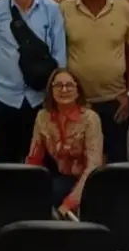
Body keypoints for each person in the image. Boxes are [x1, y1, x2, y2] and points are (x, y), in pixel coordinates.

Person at [0, 0, 68, 162]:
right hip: (3, 97)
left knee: (39, 157)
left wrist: (54, 97)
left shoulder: (51, 9)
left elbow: (59, 56)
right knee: (4, 158)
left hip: (40, 98)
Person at [62, 0, 129, 165]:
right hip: (78, 102)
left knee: (116, 162)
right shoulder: (64, 10)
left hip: (115, 100)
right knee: (80, 162)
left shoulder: (124, 8)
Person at [26, 68, 104, 212]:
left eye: (69, 85)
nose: (64, 89)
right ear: (51, 90)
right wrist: (28, 188)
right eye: (58, 85)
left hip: (90, 179)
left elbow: (93, 166)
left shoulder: (90, 119)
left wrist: (70, 203)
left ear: (78, 90)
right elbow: (34, 158)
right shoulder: (42, 117)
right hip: (64, 176)